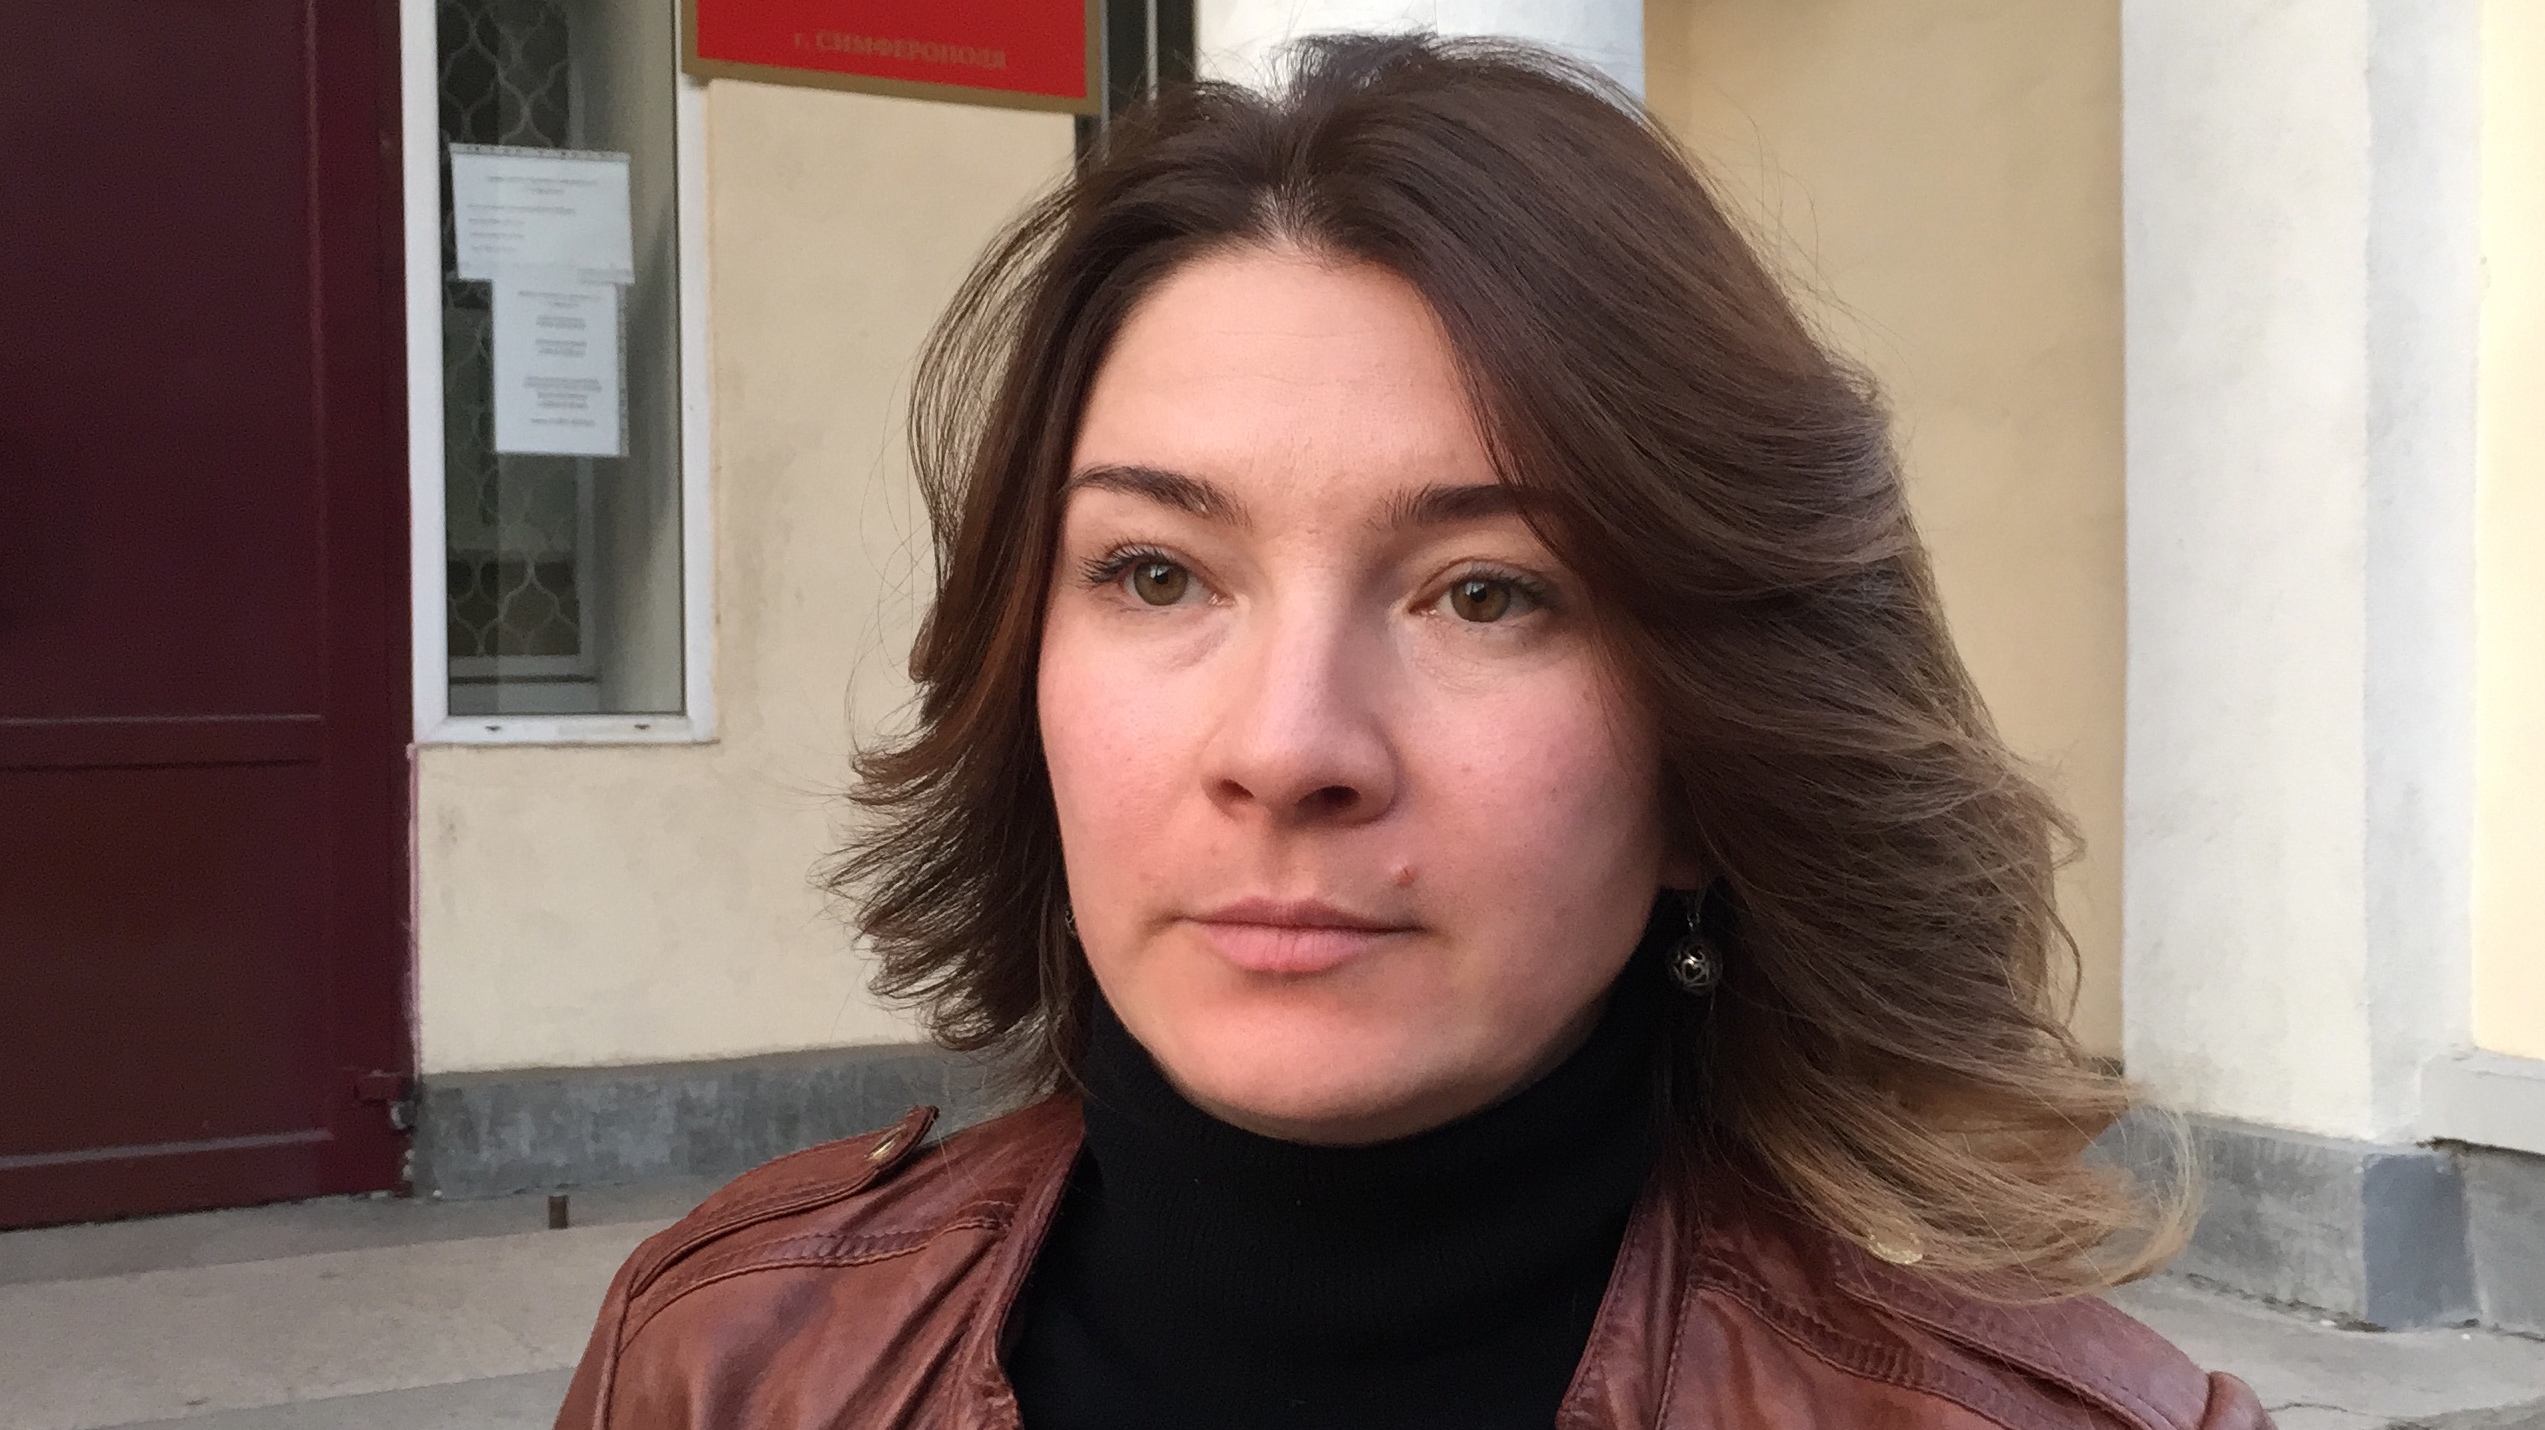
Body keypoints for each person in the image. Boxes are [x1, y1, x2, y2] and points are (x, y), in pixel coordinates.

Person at [556, 34, 2266, 1430]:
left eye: (1486, 592)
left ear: (1710, 756)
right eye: (1157, 571)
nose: (1288, 744)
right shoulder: (722, 1365)